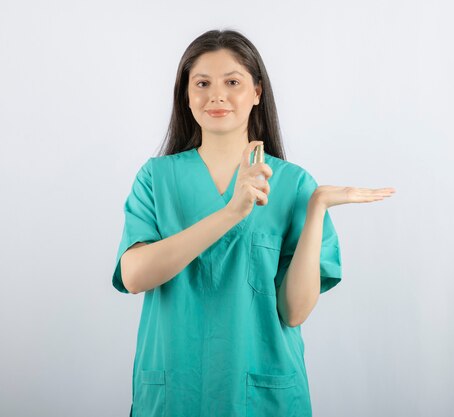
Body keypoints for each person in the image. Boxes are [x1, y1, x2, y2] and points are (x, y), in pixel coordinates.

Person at [112, 29, 396, 417]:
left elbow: (293, 312)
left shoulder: (294, 184)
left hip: (263, 396)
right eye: (202, 83)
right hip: (177, 391)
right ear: (186, 94)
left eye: (232, 82)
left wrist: (315, 211)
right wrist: (231, 212)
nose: (217, 95)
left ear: (257, 92)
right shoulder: (156, 178)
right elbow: (133, 276)